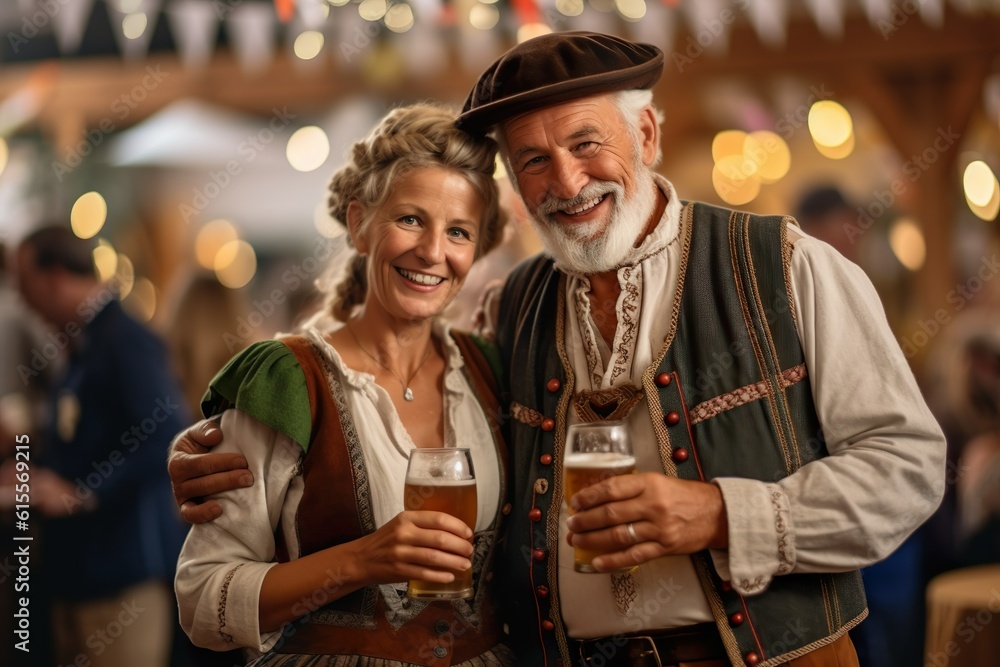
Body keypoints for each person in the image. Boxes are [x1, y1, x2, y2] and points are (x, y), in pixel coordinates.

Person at [170, 32, 947, 666]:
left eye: (585, 143)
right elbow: (369, 408)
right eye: (534, 159)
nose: (567, 180)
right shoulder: (511, 310)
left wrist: (719, 512)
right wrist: (228, 443)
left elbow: (908, 466)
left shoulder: (784, 265)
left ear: (646, 133)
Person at [172, 103, 514, 666]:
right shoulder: (287, 378)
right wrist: (361, 560)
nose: (433, 251)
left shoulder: (489, 370)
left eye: (458, 231)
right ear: (359, 224)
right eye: (410, 219)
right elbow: (202, 600)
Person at [12, 225, 190, 667]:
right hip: (80, 574)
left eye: (25, 286)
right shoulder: (84, 341)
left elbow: (165, 434)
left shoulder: (123, 339)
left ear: (54, 277)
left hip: (120, 577)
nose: (22, 301)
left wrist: (82, 493)